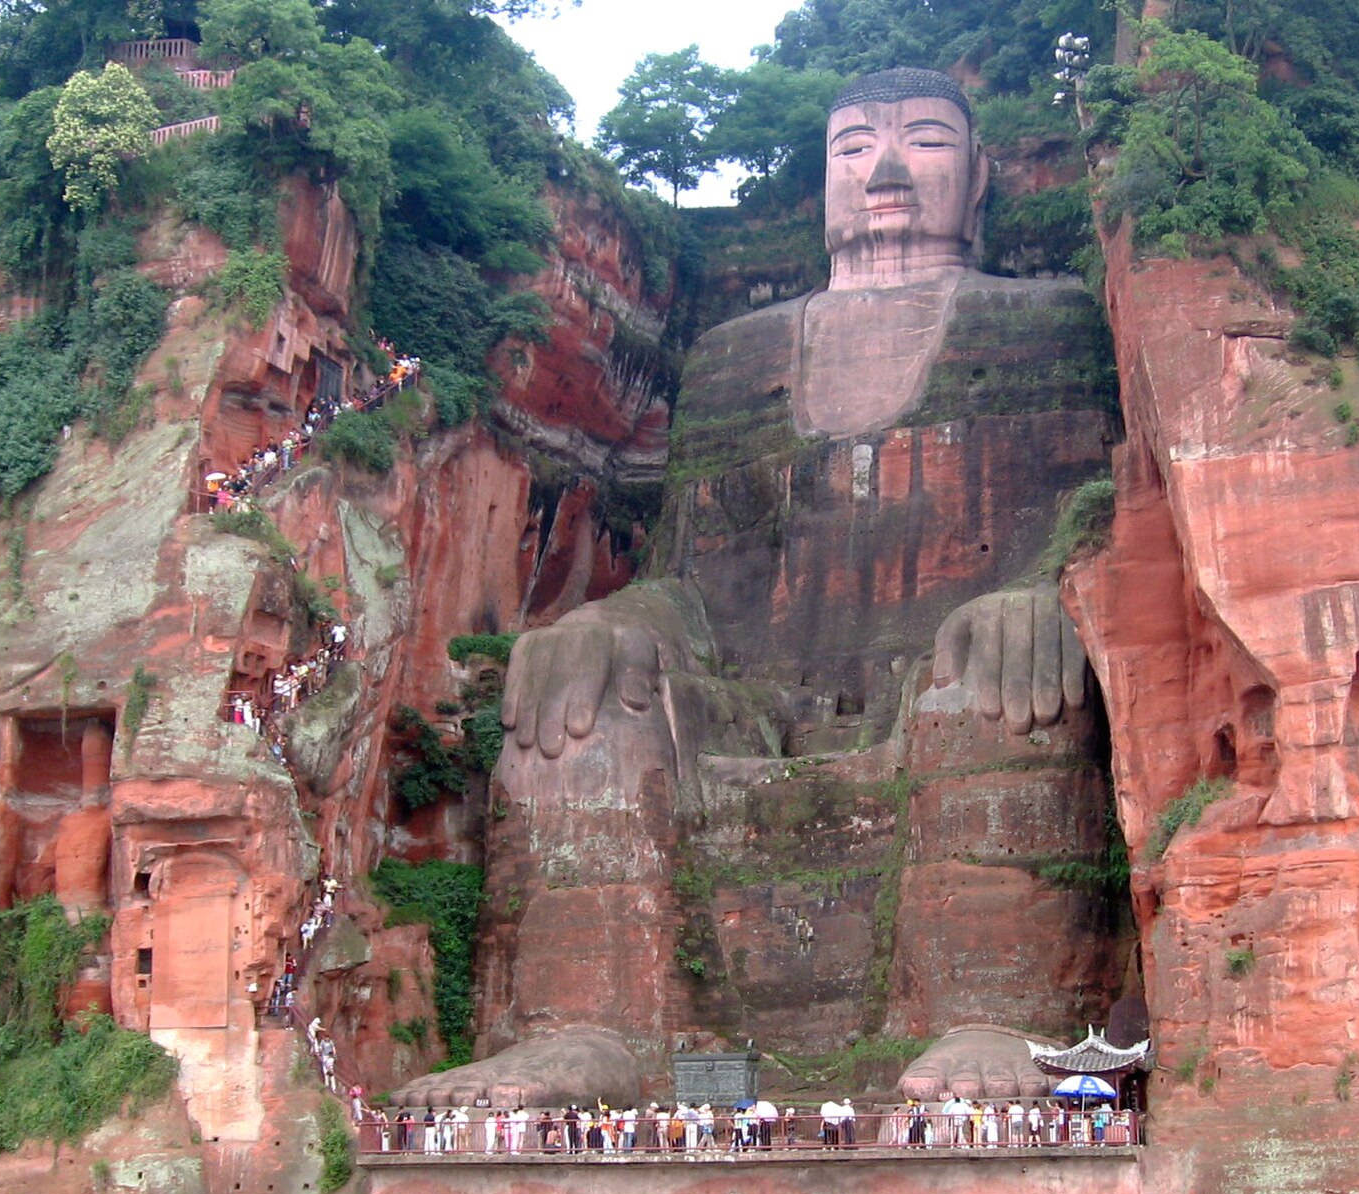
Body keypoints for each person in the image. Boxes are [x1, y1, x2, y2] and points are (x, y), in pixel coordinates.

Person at [470, 67, 1119, 1109]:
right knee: (579, 702)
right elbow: (682, 581)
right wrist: (606, 619)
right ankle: (589, 1029)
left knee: (999, 685)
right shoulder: (731, 359)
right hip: (750, 703)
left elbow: (1098, 522)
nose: (886, 169)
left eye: (925, 141)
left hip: (946, 676)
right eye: (854, 148)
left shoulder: (1045, 322)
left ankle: (993, 1014)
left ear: (979, 178)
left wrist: (1047, 595)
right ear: (823, 180)